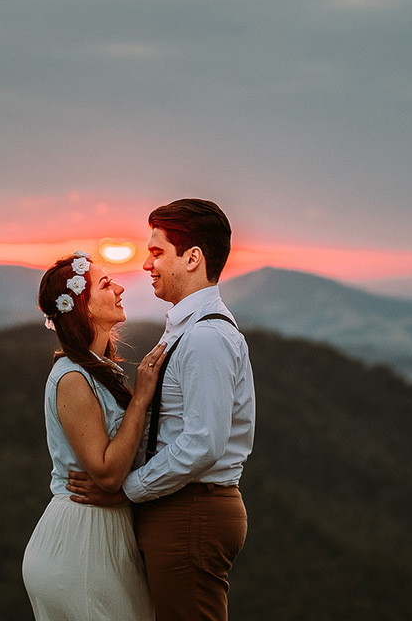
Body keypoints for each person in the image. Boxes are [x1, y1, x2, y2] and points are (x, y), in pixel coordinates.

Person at [68, 199, 255, 621]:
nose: (146, 264)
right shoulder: (186, 329)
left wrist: (127, 488)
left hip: (191, 510)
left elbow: (203, 443)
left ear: (192, 258)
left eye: (157, 252)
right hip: (180, 507)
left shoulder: (206, 338)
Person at [22, 252, 170, 621]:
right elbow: (105, 473)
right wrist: (141, 398)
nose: (120, 288)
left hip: (104, 531)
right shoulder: (72, 378)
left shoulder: (101, 372)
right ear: (82, 309)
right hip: (81, 540)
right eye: (105, 284)